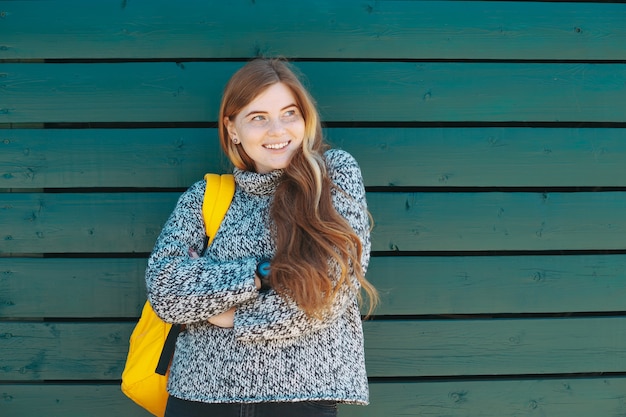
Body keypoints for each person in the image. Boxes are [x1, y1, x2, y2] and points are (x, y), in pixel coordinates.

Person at [145, 57, 378, 417]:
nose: (277, 130)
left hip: (300, 399)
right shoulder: (204, 198)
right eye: (258, 117)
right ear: (232, 128)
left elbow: (326, 292)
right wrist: (260, 273)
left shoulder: (332, 176)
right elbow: (165, 290)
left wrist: (229, 317)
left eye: (289, 113)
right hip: (198, 399)